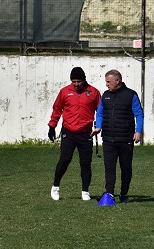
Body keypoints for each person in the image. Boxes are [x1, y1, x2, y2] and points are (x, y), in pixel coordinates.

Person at [91, 70, 144, 203]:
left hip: (126, 139)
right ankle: (109, 193)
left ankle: (123, 194)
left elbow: (139, 114)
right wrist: (98, 126)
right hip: (108, 139)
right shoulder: (105, 95)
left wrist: (138, 131)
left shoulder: (131, 95)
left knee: (126, 168)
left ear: (117, 81)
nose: (106, 84)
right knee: (109, 168)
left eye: (108, 82)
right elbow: (100, 113)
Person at [48, 67, 101, 201]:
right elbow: (57, 109)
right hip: (69, 132)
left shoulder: (93, 92)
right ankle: (55, 186)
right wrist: (52, 126)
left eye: (79, 81)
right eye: (74, 81)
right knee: (65, 159)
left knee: (85, 163)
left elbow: (100, 111)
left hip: (86, 133)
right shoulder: (65, 92)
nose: (76, 84)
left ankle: (85, 191)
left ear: (84, 80)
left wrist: (100, 126)